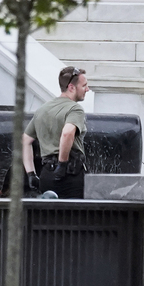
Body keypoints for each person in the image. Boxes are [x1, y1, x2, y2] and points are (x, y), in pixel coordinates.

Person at [22, 66, 89, 199]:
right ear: (71, 87)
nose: (87, 89)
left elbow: (25, 140)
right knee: (73, 212)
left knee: (49, 211)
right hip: (70, 175)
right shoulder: (75, 109)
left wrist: (31, 174)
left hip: (47, 175)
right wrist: (62, 164)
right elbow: (67, 133)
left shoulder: (42, 109)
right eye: (84, 85)